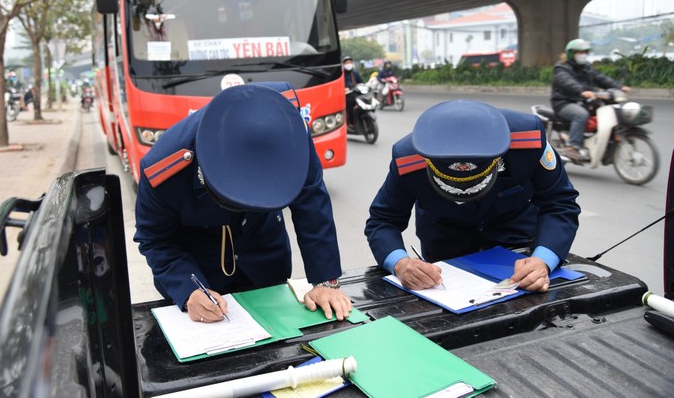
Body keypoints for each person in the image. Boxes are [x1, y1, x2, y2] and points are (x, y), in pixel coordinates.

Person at [134, 83, 353, 323]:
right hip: (200, 273)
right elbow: (156, 240)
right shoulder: (164, 168)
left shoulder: (286, 129)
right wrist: (189, 291)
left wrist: (325, 281)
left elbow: (311, 201)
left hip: (264, 257)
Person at [364, 99, 580, 293]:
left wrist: (542, 261)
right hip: (446, 253)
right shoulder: (408, 159)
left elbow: (559, 202)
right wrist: (401, 264)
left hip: (517, 246)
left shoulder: (527, 140)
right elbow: (383, 220)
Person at [551, 38, 630, 162]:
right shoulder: (561, 68)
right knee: (581, 115)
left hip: (583, 100)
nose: (583, 55)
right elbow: (567, 82)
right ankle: (572, 146)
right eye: (580, 52)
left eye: (585, 52)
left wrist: (618, 87)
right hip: (564, 102)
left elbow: (600, 78)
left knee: (604, 111)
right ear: (571, 53)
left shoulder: (586, 66)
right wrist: (582, 91)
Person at [343, 55, 363, 126]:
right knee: (351, 103)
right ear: (343, 64)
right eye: (347, 63)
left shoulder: (355, 73)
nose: (349, 64)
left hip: (355, 92)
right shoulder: (341, 74)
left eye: (350, 62)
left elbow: (361, 82)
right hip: (346, 94)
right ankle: (351, 122)